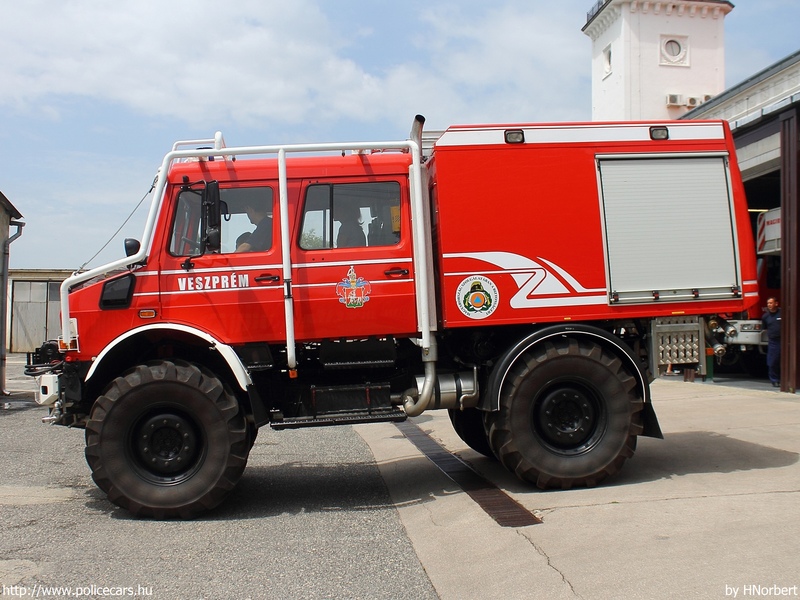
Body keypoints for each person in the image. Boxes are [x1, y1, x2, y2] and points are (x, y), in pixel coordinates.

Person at [761, 296, 781, 387]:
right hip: (773, 341)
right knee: (773, 361)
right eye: (768, 303)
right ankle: (774, 380)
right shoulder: (765, 317)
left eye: (771, 303)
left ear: (776, 303)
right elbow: (764, 328)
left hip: (784, 340)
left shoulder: (782, 313)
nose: (769, 305)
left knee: (786, 361)